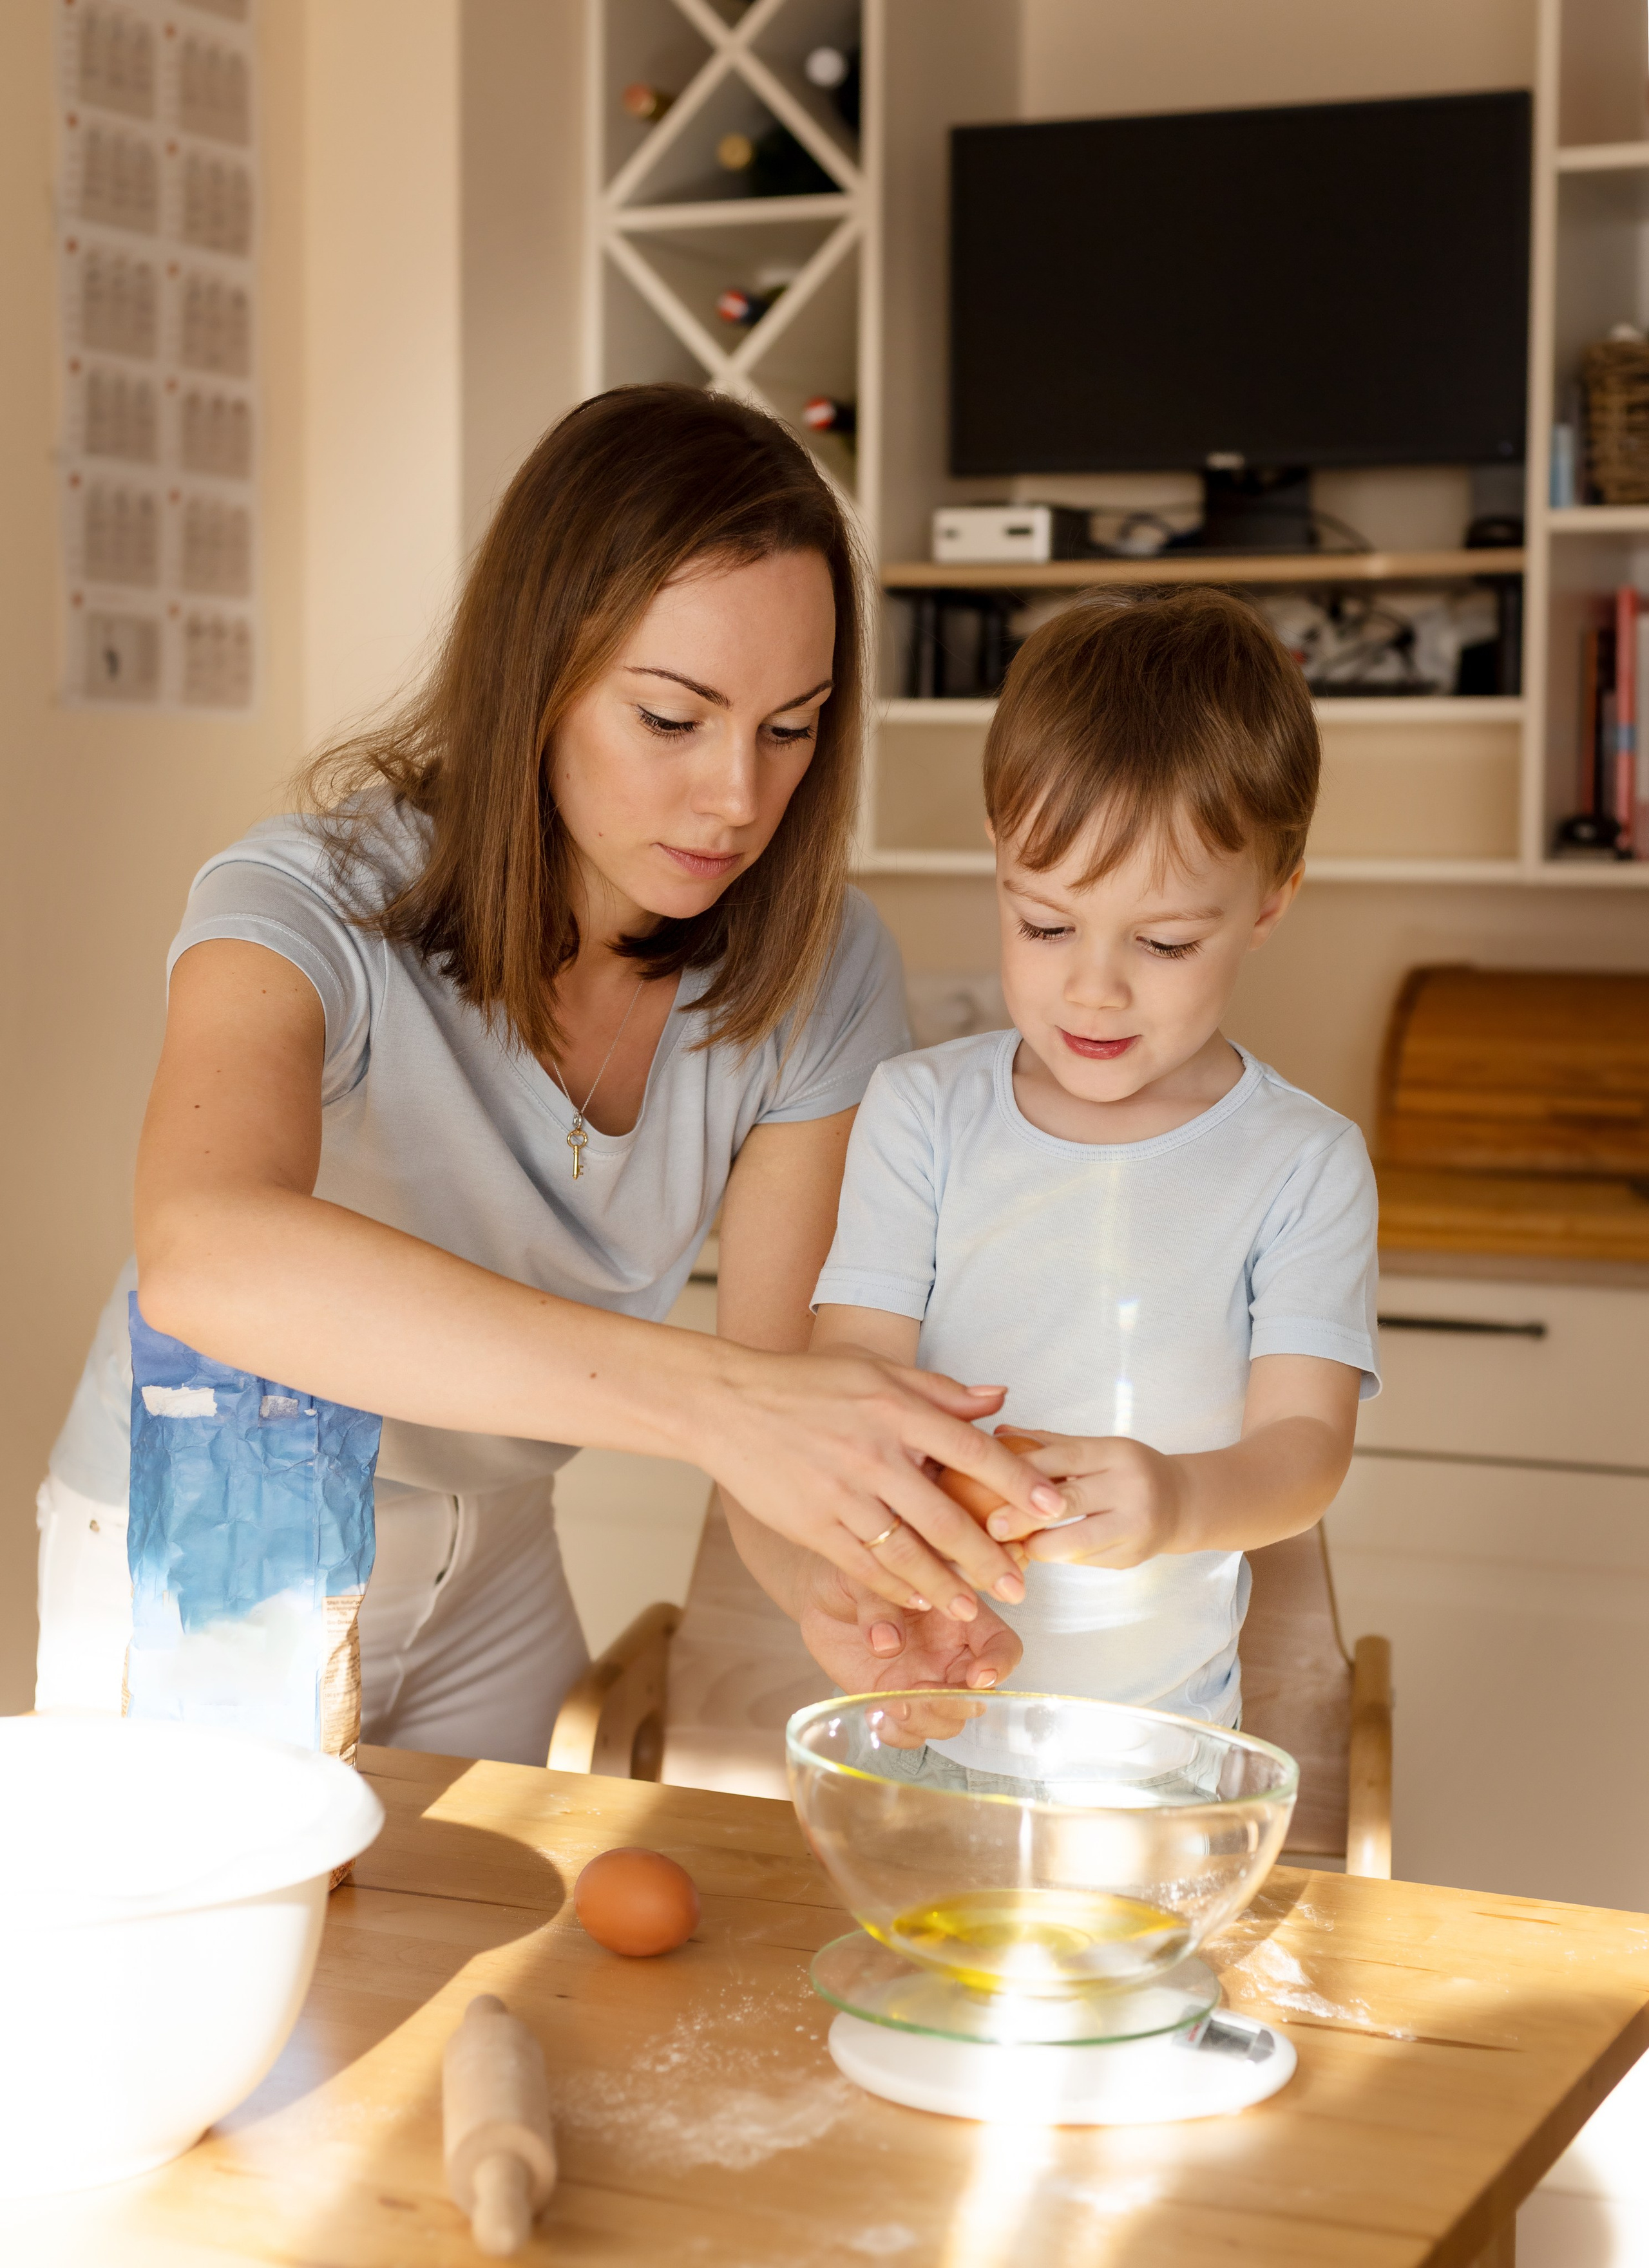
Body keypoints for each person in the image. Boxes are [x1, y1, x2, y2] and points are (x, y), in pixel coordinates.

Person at [36, 385, 1058, 1763]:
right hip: (212, 1524)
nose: (738, 800)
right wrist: (711, 1403)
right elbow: (206, 1256)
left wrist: (842, 1588)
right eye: (670, 718)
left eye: (790, 726)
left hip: (498, 1555)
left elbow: (773, 1397)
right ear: (540, 677)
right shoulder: (299, 906)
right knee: (228, 1975)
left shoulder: (821, 966)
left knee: (519, 1980)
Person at [730, 587, 1380, 1721]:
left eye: (1166, 941)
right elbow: (856, 1393)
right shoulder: (920, 1112)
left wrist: (1177, 1499)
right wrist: (887, 1575)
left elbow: (1305, 1452)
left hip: (1161, 1755)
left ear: (1271, 902)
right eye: (1045, 923)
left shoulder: (1304, 1164)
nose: (1095, 987)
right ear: (999, 862)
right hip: (931, 1708)